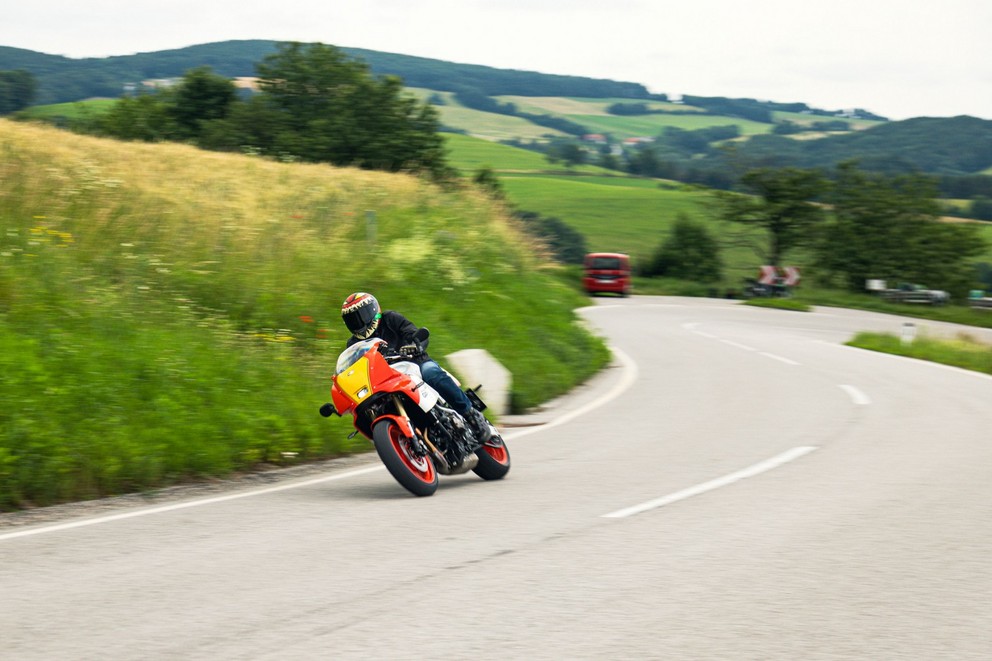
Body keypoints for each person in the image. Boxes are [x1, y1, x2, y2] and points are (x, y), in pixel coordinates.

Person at [340, 292, 491, 442]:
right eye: (353, 320)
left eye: (362, 315)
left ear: (374, 310)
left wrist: (414, 345)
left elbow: (414, 333)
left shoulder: (390, 318)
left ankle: (470, 414)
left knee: (431, 373)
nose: (359, 322)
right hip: (387, 378)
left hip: (415, 363)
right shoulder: (353, 344)